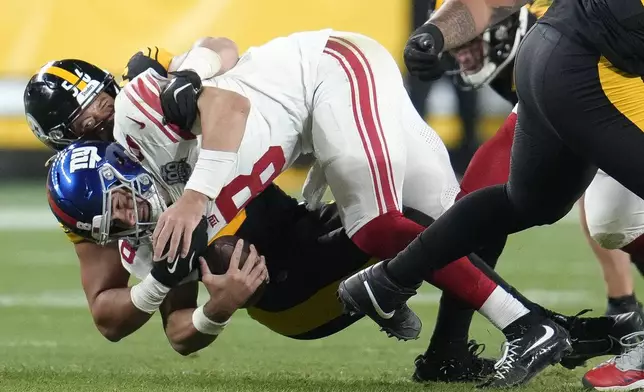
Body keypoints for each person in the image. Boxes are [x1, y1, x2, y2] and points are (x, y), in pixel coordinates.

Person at [23, 48, 495, 380]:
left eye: (105, 105)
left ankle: (429, 330)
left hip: (292, 219)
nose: (108, 124)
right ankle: (407, 291)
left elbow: (224, 54)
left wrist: (191, 73)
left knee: (445, 213)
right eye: (89, 126)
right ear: (70, 146)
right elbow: (126, 318)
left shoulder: (143, 101)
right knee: (225, 251)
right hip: (283, 284)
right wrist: (193, 297)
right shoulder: (96, 198)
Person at [338, 0, 644, 388]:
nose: (462, 55)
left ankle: (389, 280)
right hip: (594, 66)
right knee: (598, 210)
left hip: (550, 56)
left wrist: (434, 32)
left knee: (533, 202)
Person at [447, 1, 644, 319]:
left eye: (466, 43)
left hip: (583, 57)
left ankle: (622, 308)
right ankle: (623, 308)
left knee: (609, 213)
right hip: (564, 55)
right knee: (611, 217)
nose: (463, 57)